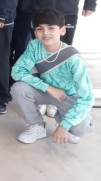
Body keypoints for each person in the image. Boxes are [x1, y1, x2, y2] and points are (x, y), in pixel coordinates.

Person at [11, 8, 95, 144]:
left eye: (51, 28)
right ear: (35, 32)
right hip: (46, 91)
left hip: (67, 96)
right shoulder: (34, 46)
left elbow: (87, 96)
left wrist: (65, 126)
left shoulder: (73, 58)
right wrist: (48, 87)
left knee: (82, 128)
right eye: (40, 29)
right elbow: (17, 71)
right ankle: (37, 126)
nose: (46, 33)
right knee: (18, 88)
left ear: (62, 30)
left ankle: (62, 120)